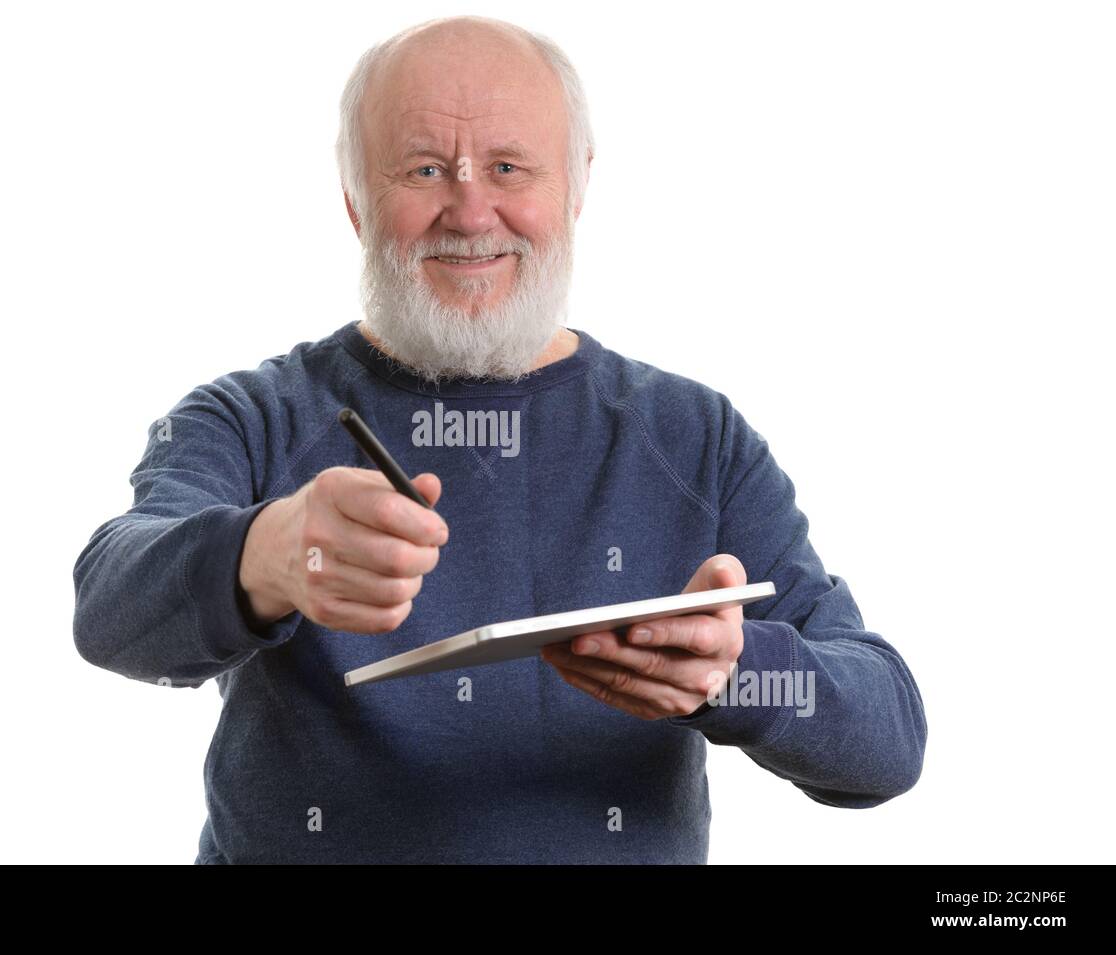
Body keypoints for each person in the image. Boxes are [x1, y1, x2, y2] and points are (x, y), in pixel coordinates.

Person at [72, 15, 927, 864]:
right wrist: (268, 553)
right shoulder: (254, 416)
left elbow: (888, 736)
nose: (470, 210)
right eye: (424, 169)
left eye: (509, 167)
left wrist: (735, 673)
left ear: (576, 188)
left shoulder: (694, 437)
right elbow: (111, 608)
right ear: (354, 200)